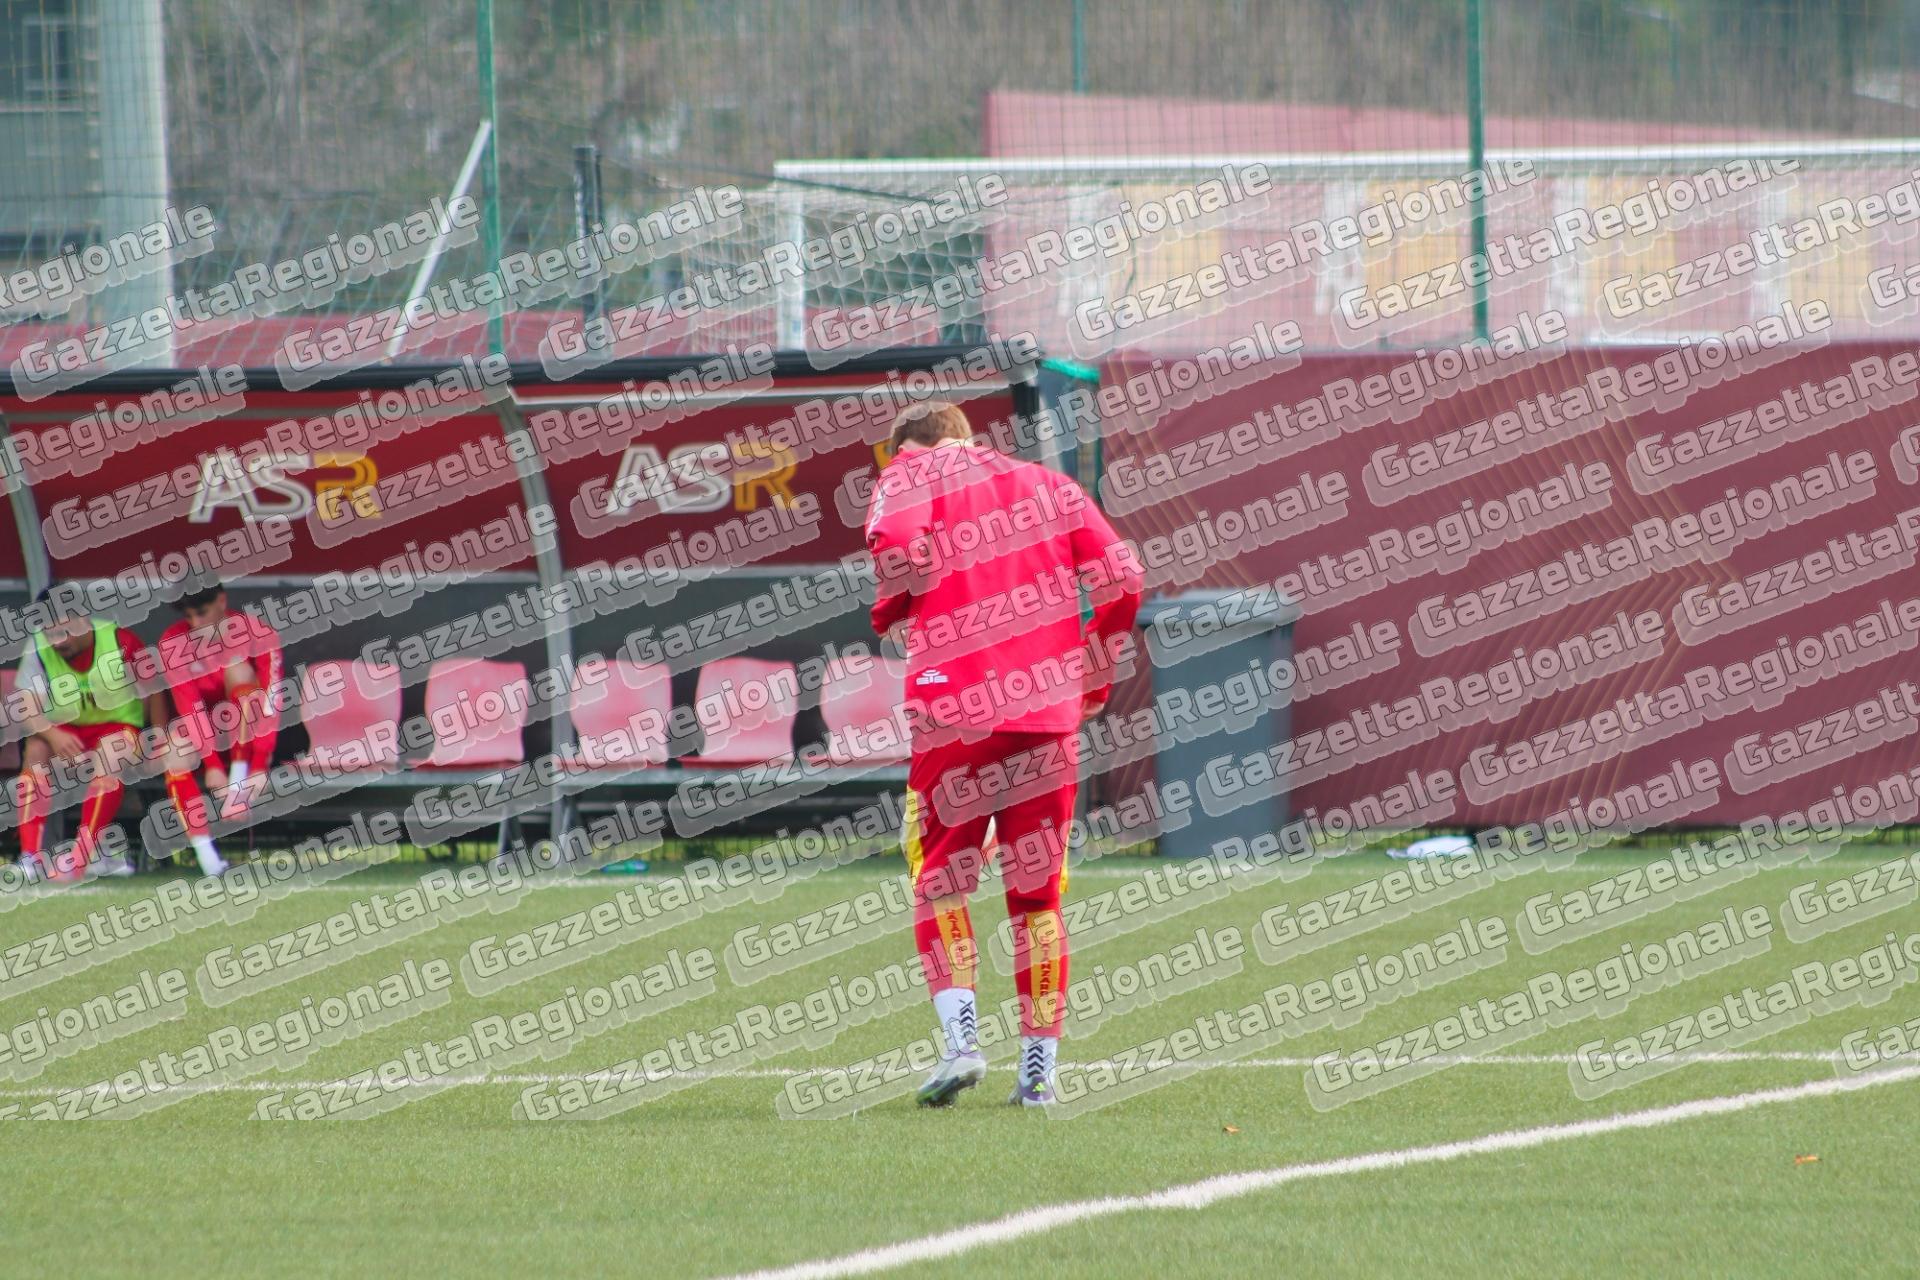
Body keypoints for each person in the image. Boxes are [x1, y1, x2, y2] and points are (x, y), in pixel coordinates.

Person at [865, 401, 1143, 1107]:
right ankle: (1038, 1075)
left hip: (953, 706)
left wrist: (895, 607)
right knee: (1037, 899)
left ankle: (962, 1046)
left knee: (942, 882)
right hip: (1046, 713)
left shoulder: (912, 470)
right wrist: (1093, 675)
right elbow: (1124, 576)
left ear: (912, 446)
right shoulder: (1050, 485)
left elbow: (894, 538)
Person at [12, 584, 168, 882]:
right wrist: (53, 735)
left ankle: (82, 855)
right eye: (50, 634)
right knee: (36, 749)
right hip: (67, 733)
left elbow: (154, 687)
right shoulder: (38, 648)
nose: (57, 642)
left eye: (63, 632)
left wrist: (158, 737)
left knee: (111, 753)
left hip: (118, 730)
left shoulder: (120, 640)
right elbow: (26, 708)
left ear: (82, 618)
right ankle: (30, 857)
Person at [154, 581, 284, 877]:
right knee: (173, 751)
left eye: (202, 613)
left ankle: (238, 787)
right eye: (189, 616)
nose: (195, 624)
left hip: (250, 741)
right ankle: (208, 858)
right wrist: (212, 764)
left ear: (222, 601)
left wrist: (259, 764)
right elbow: (189, 707)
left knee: (239, 670)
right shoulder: (173, 641)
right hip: (203, 740)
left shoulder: (258, 632)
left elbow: (272, 699)